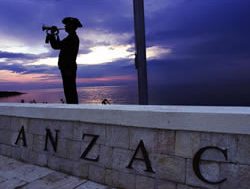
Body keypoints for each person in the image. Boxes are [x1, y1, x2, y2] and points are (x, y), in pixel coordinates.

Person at [48, 17, 82, 104]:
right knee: (70, 90)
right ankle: (73, 109)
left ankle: (73, 110)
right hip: (68, 67)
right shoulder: (71, 37)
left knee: (69, 90)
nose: (65, 26)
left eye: (67, 25)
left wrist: (52, 34)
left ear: (72, 26)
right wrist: (54, 35)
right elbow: (59, 45)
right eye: (65, 25)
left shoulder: (71, 38)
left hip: (68, 68)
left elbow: (56, 46)